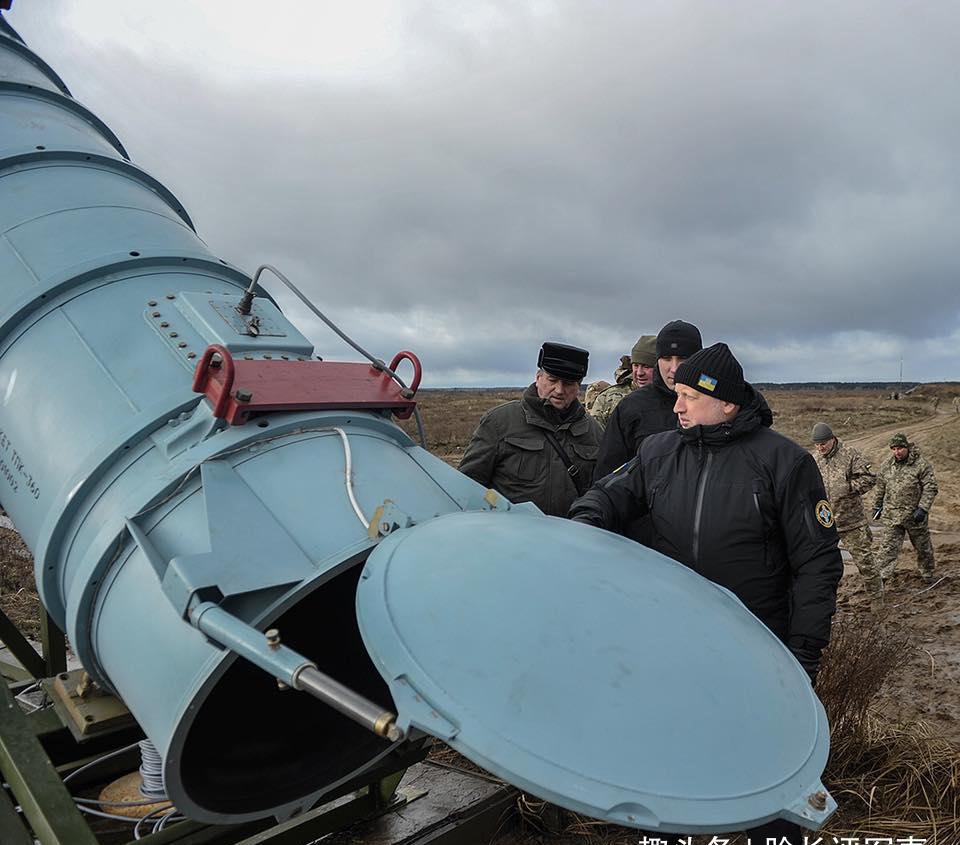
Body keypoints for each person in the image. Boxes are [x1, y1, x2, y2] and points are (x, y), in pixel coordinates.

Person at [571, 343, 842, 845]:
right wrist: (586, 523)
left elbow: (818, 562)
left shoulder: (784, 462)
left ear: (728, 404)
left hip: (761, 645)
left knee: (768, 763)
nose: (677, 406)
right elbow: (607, 494)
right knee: (675, 752)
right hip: (674, 639)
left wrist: (803, 651)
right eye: (676, 394)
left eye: (690, 396)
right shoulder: (657, 451)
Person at [459, 342, 602, 518]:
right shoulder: (499, 422)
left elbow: (601, 494)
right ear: (538, 377)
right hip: (510, 537)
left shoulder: (594, 432)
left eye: (567, 383)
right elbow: (468, 486)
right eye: (552, 380)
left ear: (578, 386)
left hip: (570, 538)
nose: (559, 390)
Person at [594, 321, 702, 477]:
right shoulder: (631, 407)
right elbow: (607, 476)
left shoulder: (717, 404)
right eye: (666, 358)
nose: (674, 368)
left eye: (682, 358)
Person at [812, 422, 880, 602]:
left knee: (865, 563)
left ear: (832, 439)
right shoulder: (815, 458)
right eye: (817, 445)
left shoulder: (850, 454)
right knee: (825, 566)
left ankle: (877, 601)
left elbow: (870, 478)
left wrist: (848, 488)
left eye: (823, 444)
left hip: (851, 522)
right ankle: (828, 600)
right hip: (825, 523)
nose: (821, 448)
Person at [873, 433, 939, 585]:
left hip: (914, 516)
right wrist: (877, 506)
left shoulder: (921, 464)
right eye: (894, 449)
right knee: (887, 549)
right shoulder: (887, 465)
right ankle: (881, 579)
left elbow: (931, 487)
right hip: (892, 516)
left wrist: (923, 508)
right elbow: (881, 487)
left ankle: (927, 573)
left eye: (900, 448)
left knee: (923, 548)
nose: (897, 452)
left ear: (907, 447)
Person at [590, 335, 657, 428]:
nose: (639, 373)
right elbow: (595, 437)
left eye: (646, 366)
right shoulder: (608, 398)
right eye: (636, 365)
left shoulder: (676, 397)